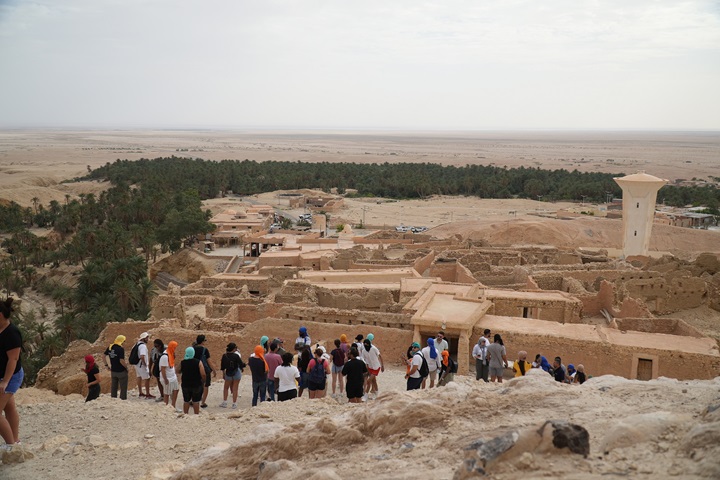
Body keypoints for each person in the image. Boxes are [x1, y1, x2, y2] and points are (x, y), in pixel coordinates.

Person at [0, 297, 23, 447]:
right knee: (9, 407)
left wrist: (5, 382)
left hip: (11, 376)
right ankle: (15, 441)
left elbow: (13, 360)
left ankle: (10, 446)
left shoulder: (12, 333)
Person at [179, 346, 206, 414]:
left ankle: (185, 414)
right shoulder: (198, 362)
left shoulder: (183, 362)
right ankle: (196, 415)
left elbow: (177, 370)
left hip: (185, 384)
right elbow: (203, 374)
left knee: (186, 401)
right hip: (196, 384)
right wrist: (203, 380)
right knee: (196, 401)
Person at [193, 335, 217, 409]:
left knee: (196, 385)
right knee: (206, 385)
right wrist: (214, 370)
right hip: (204, 369)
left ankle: (194, 400)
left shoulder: (193, 349)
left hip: (195, 369)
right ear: (202, 341)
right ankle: (203, 402)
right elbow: (208, 361)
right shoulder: (204, 350)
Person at [220, 343, 244, 408]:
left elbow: (222, 366)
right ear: (233, 349)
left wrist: (223, 374)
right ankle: (234, 403)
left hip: (228, 373)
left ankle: (225, 402)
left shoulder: (224, 356)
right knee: (235, 389)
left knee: (226, 388)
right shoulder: (236, 356)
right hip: (236, 373)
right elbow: (241, 364)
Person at [104, 334, 128, 400]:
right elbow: (121, 360)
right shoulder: (120, 349)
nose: (124, 342)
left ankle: (113, 398)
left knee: (114, 386)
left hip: (113, 370)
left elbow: (104, 356)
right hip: (121, 371)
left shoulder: (110, 347)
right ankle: (123, 399)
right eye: (124, 341)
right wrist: (126, 367)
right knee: (123, 387)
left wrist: (107, 365)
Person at [160, 341, 180, 411]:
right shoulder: (165, 356)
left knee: (176, 390)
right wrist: (165, 379)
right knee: (167, 393)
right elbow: (162, 369)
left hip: (172, 376)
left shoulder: (170, 353)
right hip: (167, 377)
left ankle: (173, 406)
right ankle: (166, 409)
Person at [134, 332, 154, 399]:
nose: (148, 339)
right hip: (141, 364)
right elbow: (142, 356)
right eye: (147, 338)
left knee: (139, 377)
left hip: (137, 364)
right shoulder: (143, 346)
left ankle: (140, 393)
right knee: (147, 378)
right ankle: (148, 394)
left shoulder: (136, 344)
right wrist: (145, 364)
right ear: (144, 338)